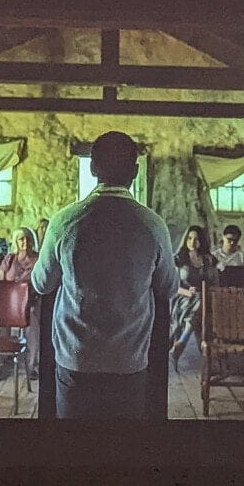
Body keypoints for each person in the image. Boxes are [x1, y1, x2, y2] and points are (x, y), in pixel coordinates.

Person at [31, 131, 179, 421]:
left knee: (73, 442)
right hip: (129, 361)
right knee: (123, 443)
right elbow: (169, 287)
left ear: (92, 167)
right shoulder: (152, 225)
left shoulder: (65, 222)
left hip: (77, 359)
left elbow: (41, 282)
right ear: (135, 171)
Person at [0, 226, 41, 381]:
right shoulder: (9, 259)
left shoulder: (39, 259)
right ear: (16, 242)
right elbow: (0, 283)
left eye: (28, 238)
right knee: (0, 324)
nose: (25, 242)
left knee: (33, 320)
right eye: (21, 239)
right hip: (10, 304)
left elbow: (42, 283)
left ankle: (33, 366)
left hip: (31, 302)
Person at [169, 224, 219, 370]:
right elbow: (172, 285)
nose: (192, 242)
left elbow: (215, 282)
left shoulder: (208, 259)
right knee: (199, 303)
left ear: (202, 241)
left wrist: (205, 291)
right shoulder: (178, 259)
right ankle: (191, 346)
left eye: (196, 239)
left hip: (205, 297)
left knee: (201, 303)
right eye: (189, 238)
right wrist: (188, 292)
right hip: (182, 297)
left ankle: (181, 344)